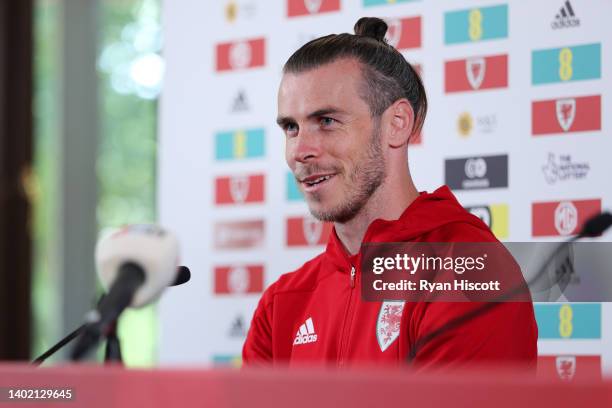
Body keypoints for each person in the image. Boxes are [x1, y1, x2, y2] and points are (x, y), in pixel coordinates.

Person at [242, 17, 537, 368]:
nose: (299, 151)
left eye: (326, 121)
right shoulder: (282, 303)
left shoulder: (472, 272)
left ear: (396, 124)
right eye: (291, 127)